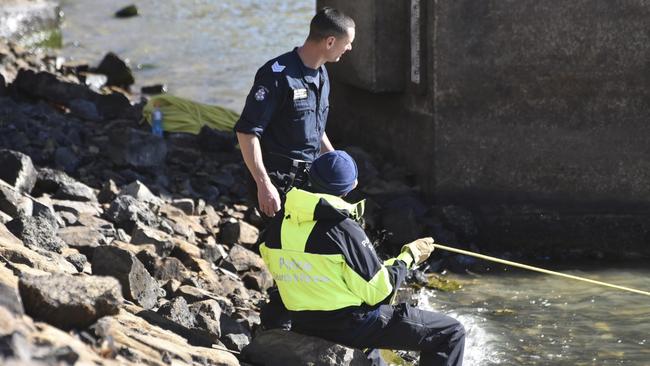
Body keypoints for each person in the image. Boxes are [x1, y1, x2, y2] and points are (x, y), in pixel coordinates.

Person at [259, 150, 466, 366]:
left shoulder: (280, 221)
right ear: (350, 186)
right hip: (349, 326)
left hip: (303, 321)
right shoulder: (342, 228)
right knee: (450, 333)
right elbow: (379, 291)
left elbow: (317, 272)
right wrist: (410, 256)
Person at [234, 7, 355, 218]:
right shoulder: (277, 75)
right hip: (278, 184)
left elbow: (316, 129)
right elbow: (247, 132)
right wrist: (263, 184)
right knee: (281, 245)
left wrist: (339, 167)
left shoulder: (322, 73)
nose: (350, 48)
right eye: (347, 42)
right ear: (330, 42)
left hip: (310, 179)